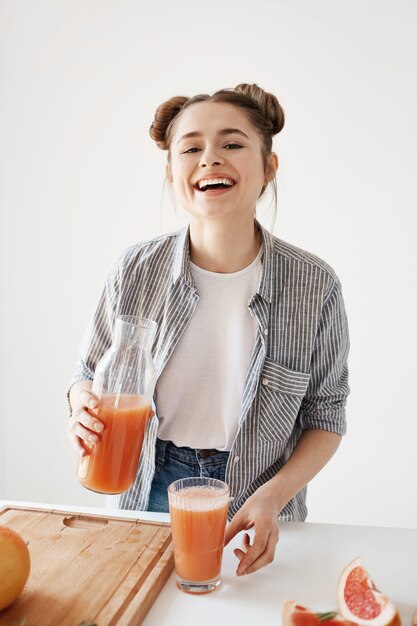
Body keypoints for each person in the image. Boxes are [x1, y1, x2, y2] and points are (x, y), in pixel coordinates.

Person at [67, 83, 350, 576]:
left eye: (233, 144)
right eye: (191, 147)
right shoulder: (136, 268)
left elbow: (326, 416)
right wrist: (82, 408)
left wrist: (273, 497)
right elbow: (88, 373)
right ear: (172, 172)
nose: (210, 159)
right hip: (149, 480)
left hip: (261, 496)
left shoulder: (314, 284)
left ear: (268, 167)